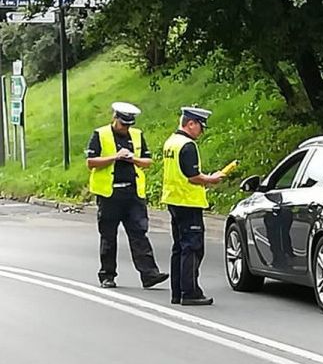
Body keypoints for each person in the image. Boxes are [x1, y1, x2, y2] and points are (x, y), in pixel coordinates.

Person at [86, 102, 168, 289]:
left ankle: (149, 274)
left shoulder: (137, 135)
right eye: (123, 124)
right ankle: (107, 275)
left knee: (139, 234)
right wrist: (115, 157)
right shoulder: (101, 134)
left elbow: (147, 161)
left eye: (129, 125)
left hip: (133, 194)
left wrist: (133, 158)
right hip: (109, 194)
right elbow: (91, 162)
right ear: (114, 118)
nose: (126, 128)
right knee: (108, 236)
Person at [161, 107, 224, 306]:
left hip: (173, 200)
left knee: (179, 247)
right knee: (192, 248)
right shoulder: (187, 146)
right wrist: (211, 179)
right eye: (200, 127)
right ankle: (190, 292)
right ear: (190, 124)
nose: (201, 132)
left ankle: (177, 292)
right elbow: (193, 176)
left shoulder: (171, 142)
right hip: (188, 201)